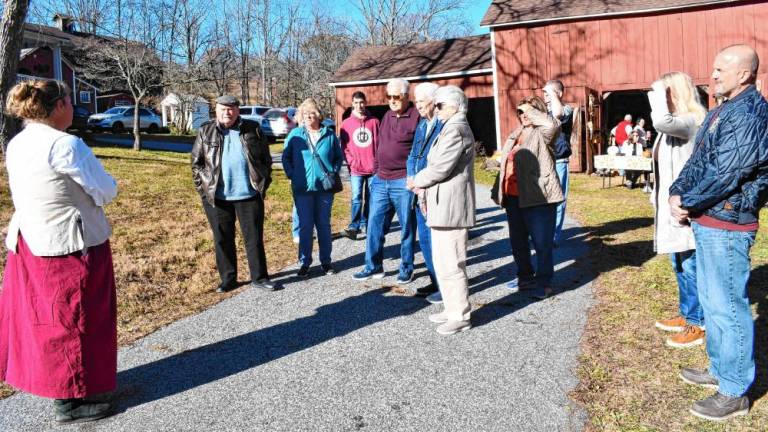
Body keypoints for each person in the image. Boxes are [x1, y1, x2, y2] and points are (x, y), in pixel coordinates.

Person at [0, 80, 118, 423]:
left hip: (30, 242)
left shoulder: (18, 143)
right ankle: (72, 399)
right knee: (76, 320)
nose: (71, 105)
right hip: (71, 245)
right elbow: (105, 189)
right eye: (68, 99)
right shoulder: (66, 145)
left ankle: (72, 389)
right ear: (58, 106)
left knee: (49, 320)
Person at [670, 44, 768, 421]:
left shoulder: (750, 114)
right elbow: (698, 161)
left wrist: (688, 200)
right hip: (709, 218)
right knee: (712, 304)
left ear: (744, 74)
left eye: (720, 70)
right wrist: (676, 194)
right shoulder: (723, 110)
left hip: (729, 223)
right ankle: (720, 369)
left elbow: (726, 172)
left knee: (728, 307)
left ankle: (735, 390)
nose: (712, 76)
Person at [407, 85, 475, 335]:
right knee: (442, 261)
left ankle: (461, 316)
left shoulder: (456, 129)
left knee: (453, 264)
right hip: (441, 205)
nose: (436, 109)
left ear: (455, 106)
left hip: (453, 206)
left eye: (440, 105)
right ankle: (450, 308)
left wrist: (416, 180)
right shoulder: (448, 127)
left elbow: (440, 167)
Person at [191, 95, 277, 293]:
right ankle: (228, 279)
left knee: (254, 238)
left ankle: (259, 277)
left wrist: (264, 181)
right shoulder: (206, 131)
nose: (227, 113)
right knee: (222, 239)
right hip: (218, 197)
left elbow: (265, 159)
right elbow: (196, 163)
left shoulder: (252, 129)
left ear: (238, 110)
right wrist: (203, 190)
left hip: (249, 195)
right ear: (216, 110)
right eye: (223, 109)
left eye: (231, 109)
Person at [648, 72, 707, 349]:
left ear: (675, 93)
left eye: (663, 93)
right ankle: (687, 314)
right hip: (673, 204)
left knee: (691, 264)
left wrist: (657, 94)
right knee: (679, 262)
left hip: (686, 206)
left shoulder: (692, 121)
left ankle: (698, 322)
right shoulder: (675, 126)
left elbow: (661, 120)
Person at [492, 96, 563, 299]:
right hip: (514, 197)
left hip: (538, 197)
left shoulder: (544, 133)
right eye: (520, 112)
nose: (523, 115)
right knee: (518, 242)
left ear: (537, 112)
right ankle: (525, 276)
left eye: (528, 111)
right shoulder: (517, 133)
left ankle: (544, 282)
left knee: (542, 243)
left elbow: (550, 122)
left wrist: (532, 111)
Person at [353, 78, 419, 284]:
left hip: (403, 181)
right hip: (381, 180)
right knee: (374, 225)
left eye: (396, 96)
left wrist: (413, 178)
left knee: (407, 227)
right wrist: (375, 172)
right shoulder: (387, 116)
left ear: (407, 96)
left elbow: (419, 152)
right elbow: (379, 145)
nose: (391, 100)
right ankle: (373, 266)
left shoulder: (417, 117)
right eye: (388, 96)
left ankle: (406, 267)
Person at [283, 98, 344, 277]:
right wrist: (292, 174)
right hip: (302, 188)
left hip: (324, 188)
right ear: (301, 117)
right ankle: (304, 262)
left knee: (324, 225)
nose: (309, 116)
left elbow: (338, 158)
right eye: (305, 113)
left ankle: (326, 262)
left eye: (312, 113)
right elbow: (286, 158)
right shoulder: (295, 135)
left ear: (319, 115)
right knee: (305, 226)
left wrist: (332, 171)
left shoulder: (329, 135)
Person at [406, 83, 444, 302]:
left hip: (434, 191)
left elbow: (439, 162)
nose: (418, 105)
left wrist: (421, 182)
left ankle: (445, 285)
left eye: (421, 101)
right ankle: (434, 280)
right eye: (416, 101)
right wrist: (411, 179)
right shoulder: (422, 125)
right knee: (426, 241)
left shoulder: (443, 124)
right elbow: (413, 155)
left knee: (437, 241)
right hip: (418, 191)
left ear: (433, 100)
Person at [340, 91, 379, 240]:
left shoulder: (374, 122)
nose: (359, 105)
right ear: (352, 104)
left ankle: (366, 223)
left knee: (370, 198)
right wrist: (351, 161)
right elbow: (344, 146)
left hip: (372, 168)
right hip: (356, 168)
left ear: (365, 103)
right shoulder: (346, 124)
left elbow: (379, 143)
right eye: (356, 103)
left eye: (361, 102)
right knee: (356, 197)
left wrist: (377, 162)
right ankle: (354, 225)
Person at [542, 79, 573, 246]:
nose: (545, 96)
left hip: (560, 161)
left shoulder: (566, 109)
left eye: (548, 93)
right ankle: (543, 233)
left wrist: (554, 96)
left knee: (558, 200)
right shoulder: (542, 111)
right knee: (542, 199)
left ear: (559, 94)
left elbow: (558, 114)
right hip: (543, 162)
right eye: (544, 93)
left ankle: (553, 236)